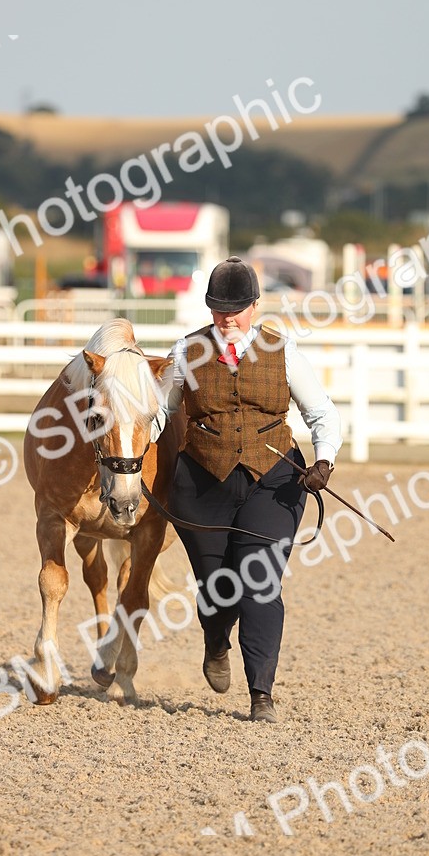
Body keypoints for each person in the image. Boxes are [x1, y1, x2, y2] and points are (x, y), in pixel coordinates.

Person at [150, 256, 342, 722]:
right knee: (217, 591)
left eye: (236, 308)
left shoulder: (284, 352)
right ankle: (215, 639)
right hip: (201, 482)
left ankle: (261, 694)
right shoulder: (185, 353)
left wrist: (324, 460)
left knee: (260, 583)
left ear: (255, 306)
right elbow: (160, 413)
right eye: (218, 308)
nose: (227, 317)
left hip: (273, 482)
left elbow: (322, 412)